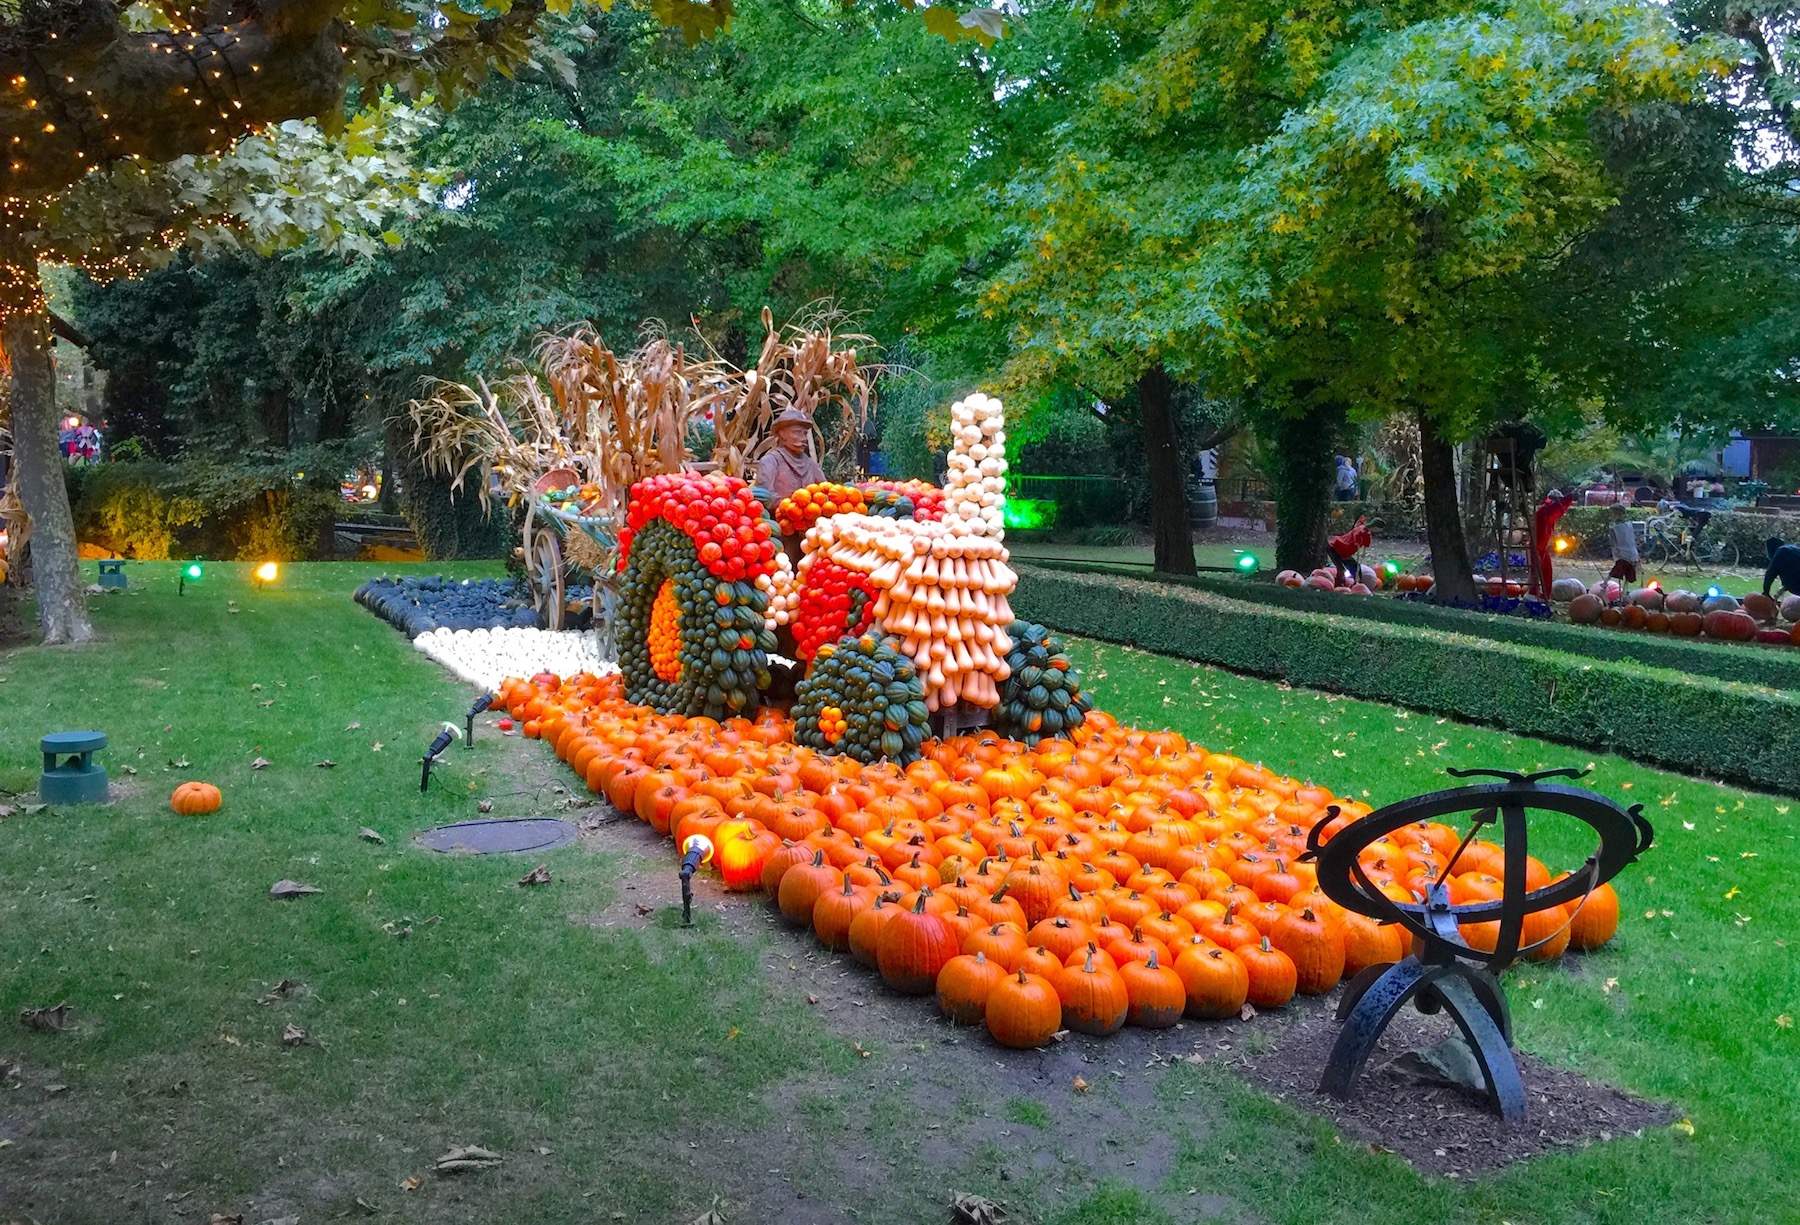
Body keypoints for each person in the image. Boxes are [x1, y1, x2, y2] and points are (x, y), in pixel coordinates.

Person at [755, 408, 826, 504]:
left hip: (812, 516)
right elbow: (766, 497)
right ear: (782, 433)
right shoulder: (770, 461)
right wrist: (793, 508)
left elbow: (826, 491)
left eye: (805, 433)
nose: (804, 438)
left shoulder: (811, 465)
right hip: (779, 517)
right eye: (797, 432)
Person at [1530, 488, 1576, 598]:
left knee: (1546, 571)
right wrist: (1570, 496)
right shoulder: (1546, 510)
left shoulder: (1545, 510)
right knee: (1537, 572)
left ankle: (1544, 594)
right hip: (1537, 546)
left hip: (1542, 546)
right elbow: (1559, 507)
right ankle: (1534, 594)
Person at [1327, 516, 1372, 587]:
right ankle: (1340, 585)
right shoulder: (1360, 530)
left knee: (1355, 567)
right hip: (1336, 547)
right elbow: (1356, 538)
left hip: (1343, 551)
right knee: (1341, 569)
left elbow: (1365, 545)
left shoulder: (1366, 532)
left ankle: (1356, 584)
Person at [1607, 505, 1639, 589]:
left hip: (1628, 553)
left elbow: (1629, 540)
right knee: (1620, 567)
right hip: (1623, 553)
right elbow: (1614, 541)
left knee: (1627, 570)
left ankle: (1624, 590)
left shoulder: (1625, 526)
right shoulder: (1616, 527)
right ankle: (1610, 585)